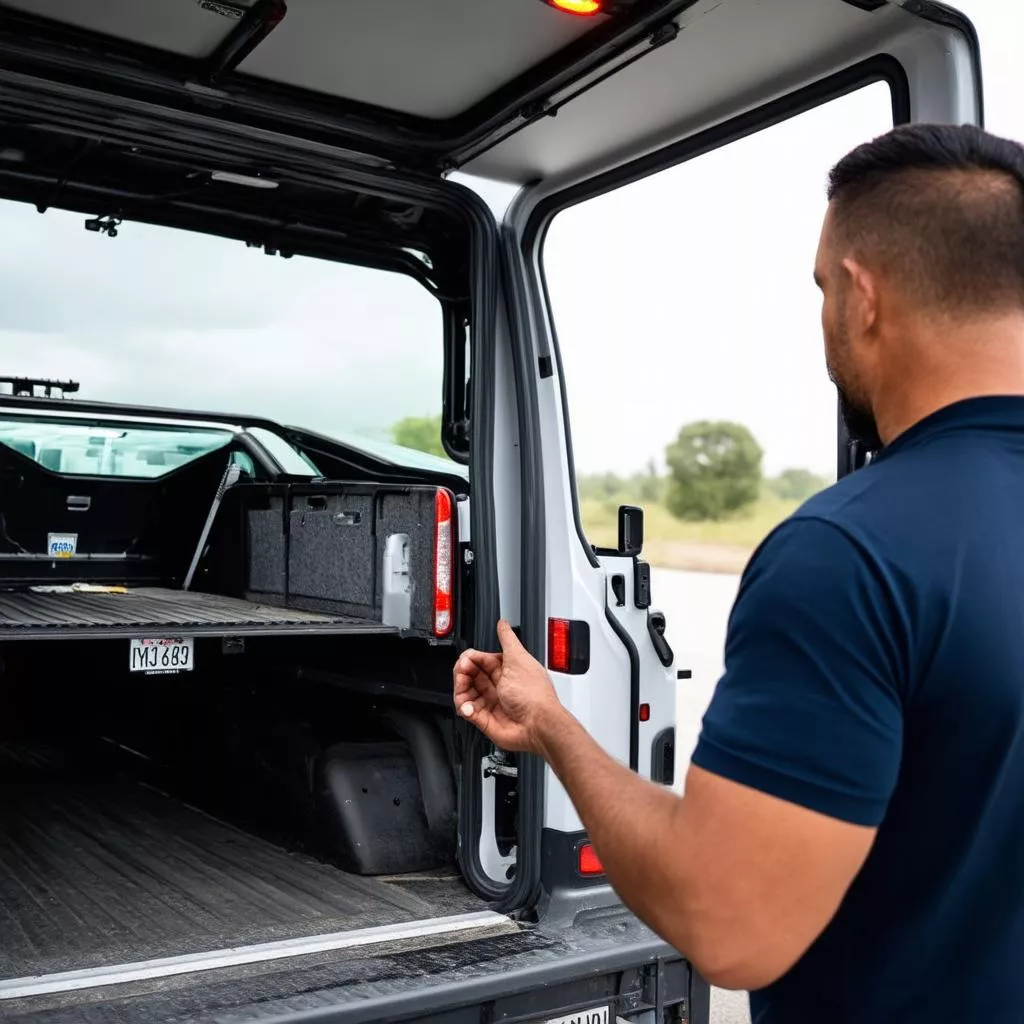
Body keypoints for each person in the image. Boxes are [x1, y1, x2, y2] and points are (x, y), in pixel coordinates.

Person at [453, 123, 1024, 1024]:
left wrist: (558, 730)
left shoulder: (852, 555)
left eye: (821, 289)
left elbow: (728, 925)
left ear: (862, 298)